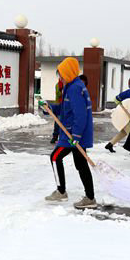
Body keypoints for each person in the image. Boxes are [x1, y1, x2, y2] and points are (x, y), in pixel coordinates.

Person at [44, 57, 96, 210]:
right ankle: (90, 197)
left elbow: (80, 114)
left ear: (68, 73)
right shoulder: (73, 86)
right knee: (81, 164)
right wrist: (49, 108)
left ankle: (61, 192)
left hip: (72, 134)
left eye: (61, 74)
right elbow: (65, 109)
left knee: (55, 157)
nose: (60, 77)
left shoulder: (74, 88)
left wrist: (76, 136)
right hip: (73, 133)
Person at [50, 77, 64, 144]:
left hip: (65, 106)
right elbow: (58, 95)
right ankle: (55, 137)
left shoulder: (68, 85)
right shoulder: (57, 85)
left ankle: (62, 138)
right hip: (58, 106)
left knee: (64, 123)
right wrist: (61, 89)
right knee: (57, 123)